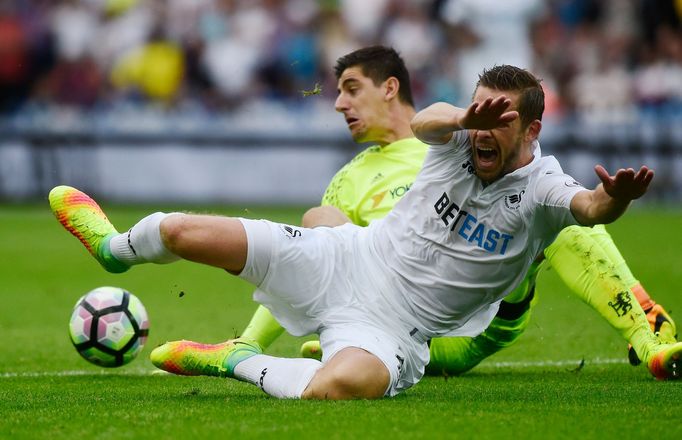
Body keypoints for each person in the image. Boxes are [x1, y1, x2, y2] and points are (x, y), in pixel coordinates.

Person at [49, 64, 681, 401]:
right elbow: (431, 121)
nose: (484, 131)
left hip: (398, 329)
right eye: (480, 113)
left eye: (502, 119)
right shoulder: (455, 137)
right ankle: (114, 249)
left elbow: (589, 209)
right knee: (184, 232)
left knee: (338, 387)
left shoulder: (542, 187)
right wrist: (465, 116)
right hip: (345, 259)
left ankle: (237, 362)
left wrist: (613, 197)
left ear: (533, 131)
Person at [238, 46, 677, 375]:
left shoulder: (459, 141)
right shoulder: (351, 177)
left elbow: (586, 205)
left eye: (351, 89)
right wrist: (250, 341)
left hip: (491, 301)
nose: (339, 104)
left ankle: (647, 324)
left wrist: (613, 197)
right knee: (319, 223)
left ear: (390, 88)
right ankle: (346, 338)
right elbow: (309, 257)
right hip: (413, 317)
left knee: (556, 215)